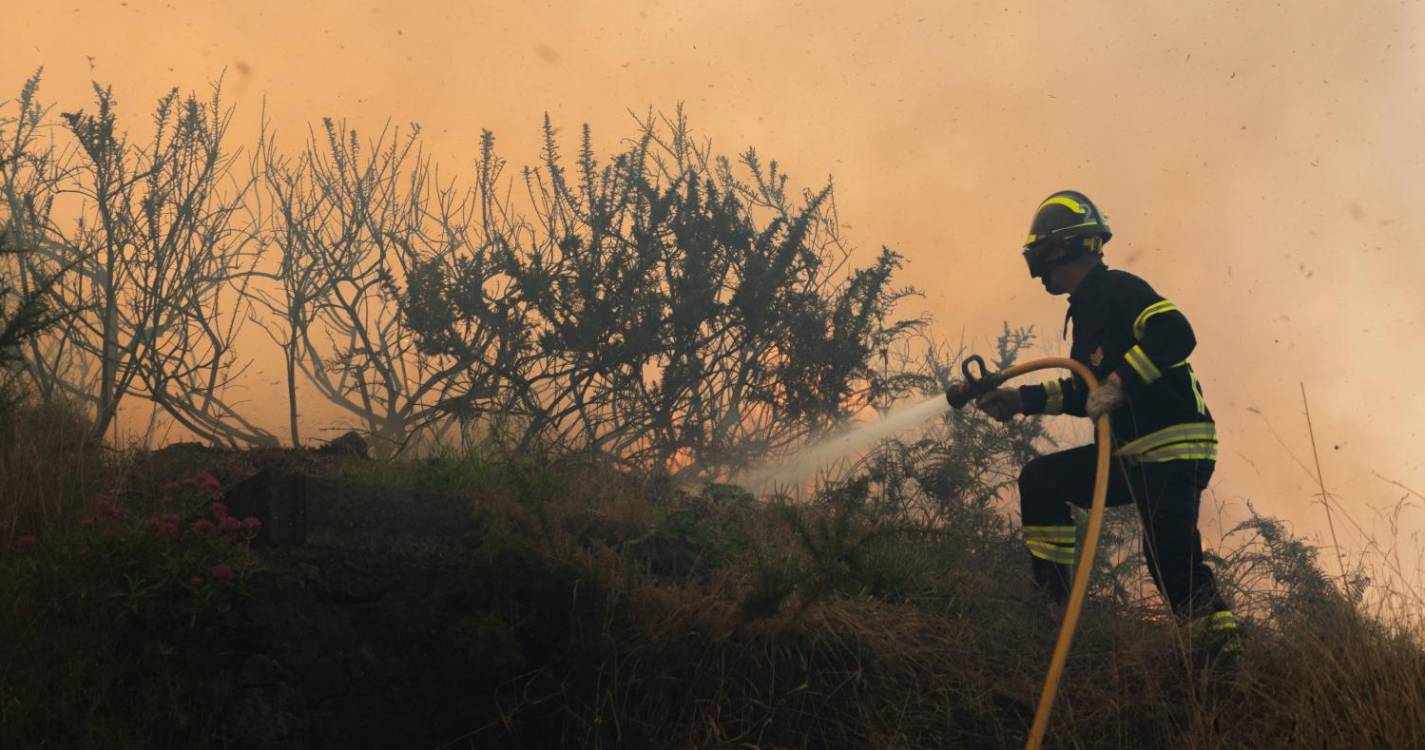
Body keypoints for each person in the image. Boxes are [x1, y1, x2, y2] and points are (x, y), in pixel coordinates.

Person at [975, 190, 1242, 658]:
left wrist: (1119, 382)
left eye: (1040, 253)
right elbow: (1084, 392)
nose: (1037, 267)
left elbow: (1177, 333)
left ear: (1062, 248)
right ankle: (1051, 604)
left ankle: (1225, 659)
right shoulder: (1087, 313)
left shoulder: (1119, 290)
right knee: (1042, 479)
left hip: (1174, 448)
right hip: (1136, 452)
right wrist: (1020, 400)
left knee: (1169, 562)